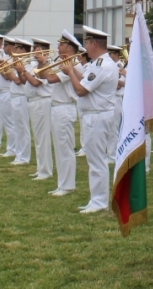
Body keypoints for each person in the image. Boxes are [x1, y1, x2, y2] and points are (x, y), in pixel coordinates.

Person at [65, 26, 118, 214]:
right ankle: (95, 198)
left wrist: (70, 72)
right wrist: (72, 71)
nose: (85, 47)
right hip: (94, 114)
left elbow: (81, 90)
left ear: (94, 43)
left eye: (87, 43)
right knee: (94, 159)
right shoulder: (97, 64)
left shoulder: (103, 65)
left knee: (97, 160)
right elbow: (87, 80)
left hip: (97, 115)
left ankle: (100, 201)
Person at [43, 30, 83, 196]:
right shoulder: (61, 62)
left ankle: (67, 185)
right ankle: (62, 184)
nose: (58, 46)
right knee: (59, 148)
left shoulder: (72, 64)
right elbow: (46, 76)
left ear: (69, 47)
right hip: (57, 107)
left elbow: (51, 79)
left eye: (61, 44)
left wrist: (44, 63)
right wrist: (43, 64)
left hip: (65, 107)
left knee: (65, 148)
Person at [21, 38, 54, 181]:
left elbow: (35, 82)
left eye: (37, 48)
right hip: (33, 101)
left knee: (43, 138)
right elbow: (23, 81)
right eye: (34, 48)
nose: (34, 51)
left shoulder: (47, 64)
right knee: (38, 138)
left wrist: (24, 71)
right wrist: (20, 70)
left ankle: (46, 171)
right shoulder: (33, 64)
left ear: (43, 50)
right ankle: (41, 168)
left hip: (42, 101)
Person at [5, 38, 33, 166]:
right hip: (15, 96)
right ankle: (19, 154)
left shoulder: (28, 65)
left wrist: (18, 69)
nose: (14, 51)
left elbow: (21, 81)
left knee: (23, 128)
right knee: (17, 128)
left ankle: (24, 156)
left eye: (17, 48)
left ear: (23, 50)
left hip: (22, 97)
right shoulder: (19, 63)